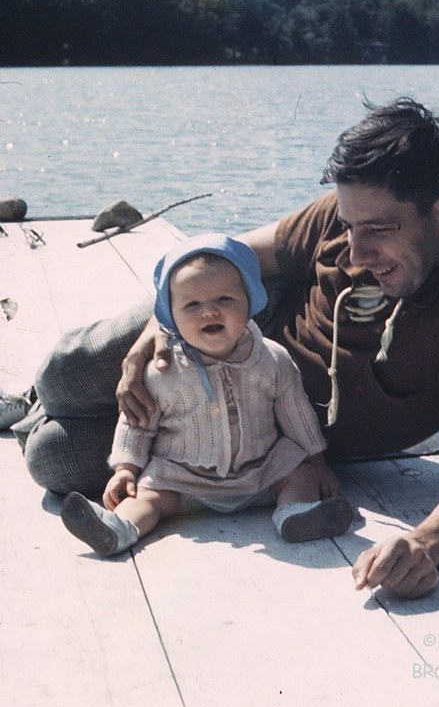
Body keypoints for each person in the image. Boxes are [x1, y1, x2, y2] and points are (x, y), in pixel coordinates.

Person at [13, 97, 439, 597]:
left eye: (378, 230)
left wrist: (424, 545)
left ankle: (33, 416)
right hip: (218, 334)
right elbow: (230, 259)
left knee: (52, 457)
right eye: (349, 226)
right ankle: (31, 399)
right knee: (66, 375)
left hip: (265, 446)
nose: (356, 252)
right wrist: (158, 327)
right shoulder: (348, 219)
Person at [59, 234, 351, 556]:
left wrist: (317, 462)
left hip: (261, 471)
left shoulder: (272, 359)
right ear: (170, 315)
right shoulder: (162, 370)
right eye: (192, 305)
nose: (209, 312)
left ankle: (294, 515)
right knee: (145, 496)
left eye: (225, 299)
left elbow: (297, 415)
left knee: (301, 475)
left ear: (249, 302)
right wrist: (125, 469)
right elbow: (136, 423)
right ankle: (118, 529)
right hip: (183, 478)